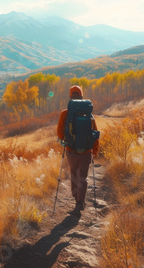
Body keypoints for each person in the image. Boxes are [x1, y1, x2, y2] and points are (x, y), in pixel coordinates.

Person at [57, 85, 99, 213]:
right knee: (83, 177)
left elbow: (59, 133)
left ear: (70, 96)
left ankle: (76, 199)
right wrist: (95, 150)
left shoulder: (65, 113)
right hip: (86, 151)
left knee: (74, 173)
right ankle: (81, 203)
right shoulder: (89, 114)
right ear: (81, 96)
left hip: (71, 150)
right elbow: (95, 133)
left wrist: (67, 140)